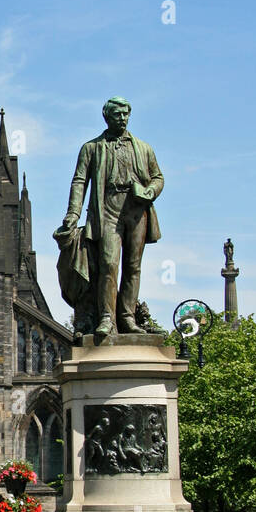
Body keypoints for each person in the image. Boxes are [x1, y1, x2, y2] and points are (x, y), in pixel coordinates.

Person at [54, 98, 163, 338]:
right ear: (107, 117)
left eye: (125, 114)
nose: (122, 118)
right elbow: (80, 181)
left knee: (133, 267)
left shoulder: (143, 148)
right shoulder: (91, 148)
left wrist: (149, 191)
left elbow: (157, 177)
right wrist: (73, 212)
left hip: (136, 210)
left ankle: (127, 317)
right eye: (117, 115)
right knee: (109, 264)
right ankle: (106, 318)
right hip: (107, 209)